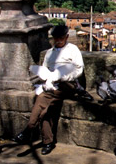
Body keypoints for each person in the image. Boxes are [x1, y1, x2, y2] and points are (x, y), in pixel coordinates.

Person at [12, 25, 84, 155]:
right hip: (51, 84)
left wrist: (63, 77)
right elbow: (44, 69)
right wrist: (48, 79)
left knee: (45, 97)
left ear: (66, 37)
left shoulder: (73, 50)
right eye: (56, 39)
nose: (58, 41)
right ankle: (47, 142)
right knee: (45, 110)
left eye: (61, 38)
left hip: (67, 83)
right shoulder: (49, 53)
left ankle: (29, 129)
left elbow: (78, 70)